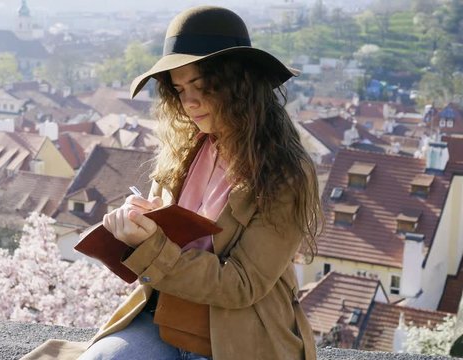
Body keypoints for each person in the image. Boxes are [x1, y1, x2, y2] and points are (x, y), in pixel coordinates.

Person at [21, 5, 322, 360]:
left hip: (241, 332)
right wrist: (138, 227)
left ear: (240, 85)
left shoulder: (285, 172)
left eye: (203, 86)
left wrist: (149, 247)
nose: (189, 102)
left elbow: (243, 285)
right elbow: (163, 243)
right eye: (179, 89)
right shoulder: (183, 148)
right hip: (165, 315)